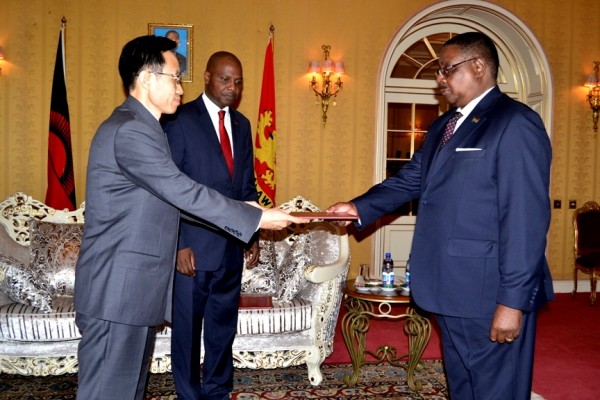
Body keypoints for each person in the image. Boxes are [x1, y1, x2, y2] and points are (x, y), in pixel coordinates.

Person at [73, 35, 305, 400]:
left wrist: (252, 211)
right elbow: (182, 190)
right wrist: (253, 218)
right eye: (175, 77)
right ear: (148, 78)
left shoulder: (145, 127)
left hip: (133, 291)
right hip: (118, 292)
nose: (181, 88)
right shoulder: (131, 130)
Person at [326, 31, 553, 400]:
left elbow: (525, 222)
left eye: (447, 69)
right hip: (449, 288)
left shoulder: (514, 123)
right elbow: (410, 180)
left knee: (498, 389)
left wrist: (512, 302)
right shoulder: (443, 126)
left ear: (478, 66)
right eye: (438, 71)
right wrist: (357, 208)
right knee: (463, 384)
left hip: (487, 293)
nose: (439, 79)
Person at [161, 51, 255, 400]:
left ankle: (217, 391)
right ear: (206, 76)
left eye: (238, 81)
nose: (232, 87)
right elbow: (168, 187)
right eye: (225, 79)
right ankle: (188, 395)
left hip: (230, 249)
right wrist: (179, 243)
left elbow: (246, 186)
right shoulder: (179, 120)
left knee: (222, 328)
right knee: (186, 331)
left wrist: (252, 234)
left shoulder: (243, 125)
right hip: (193, 251)